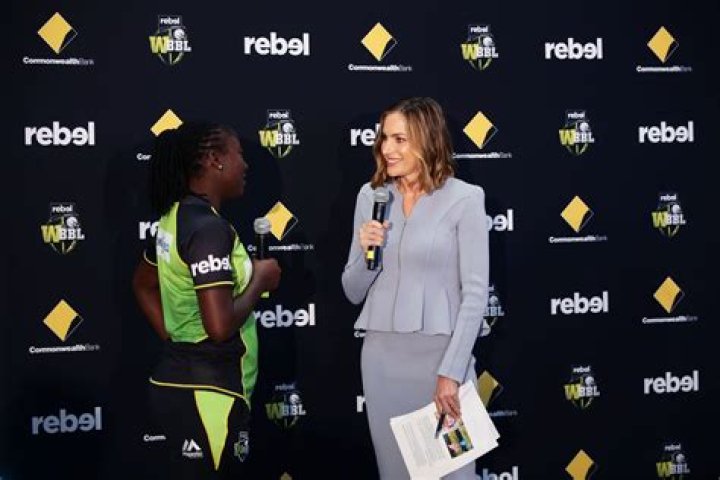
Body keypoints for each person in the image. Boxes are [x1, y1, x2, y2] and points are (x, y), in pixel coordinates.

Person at [342, 97, 489, 479]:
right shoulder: (371, 196)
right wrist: (368, 251)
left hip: (442, 362)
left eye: (399, 139)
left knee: (456, 471)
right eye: (384, 139)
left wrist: (451, 373)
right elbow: (352, 290)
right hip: (382, 361)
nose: (387, 149)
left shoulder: (466, 199)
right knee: (397, 473)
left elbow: (475, 294)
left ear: (427, 140)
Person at [132, 121, 281, 478]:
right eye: (239, 155)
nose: (245, 165)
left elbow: (142, 285)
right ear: (215, 160)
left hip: (187, 384)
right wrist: (259, 281)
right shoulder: (209, 229)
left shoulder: (174, 217)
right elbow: (219, 327)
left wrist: (179, 342)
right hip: (209, 392)